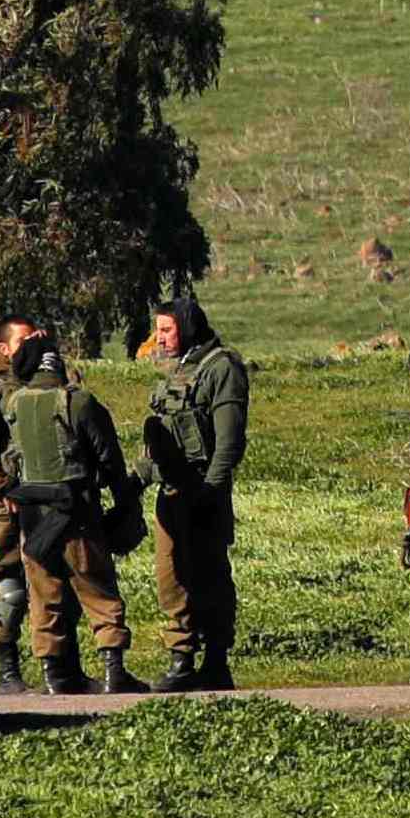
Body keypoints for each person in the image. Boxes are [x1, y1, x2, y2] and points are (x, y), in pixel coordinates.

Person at [0, 317, 139, 697]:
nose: (32, 346)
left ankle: (61, 673)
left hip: (35, 506)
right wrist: (5, 484)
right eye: (24, 341)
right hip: (19, 505)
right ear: (4, 348)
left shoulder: (20, 395)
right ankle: (13, 673)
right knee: (20, 592)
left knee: (51, 590)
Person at [137, 286, 251, 695]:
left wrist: (209, 492)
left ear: (186, 327)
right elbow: (163, 437)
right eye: (158, 330)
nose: (160, 337)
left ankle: (215, 660)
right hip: (171, 493)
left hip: (204, 491)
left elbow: (229, 443)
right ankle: (181, 658)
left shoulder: (222, 369)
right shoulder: (179, 369)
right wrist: (134, 481)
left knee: (210, 577)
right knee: (172, 578)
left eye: (166, 329)